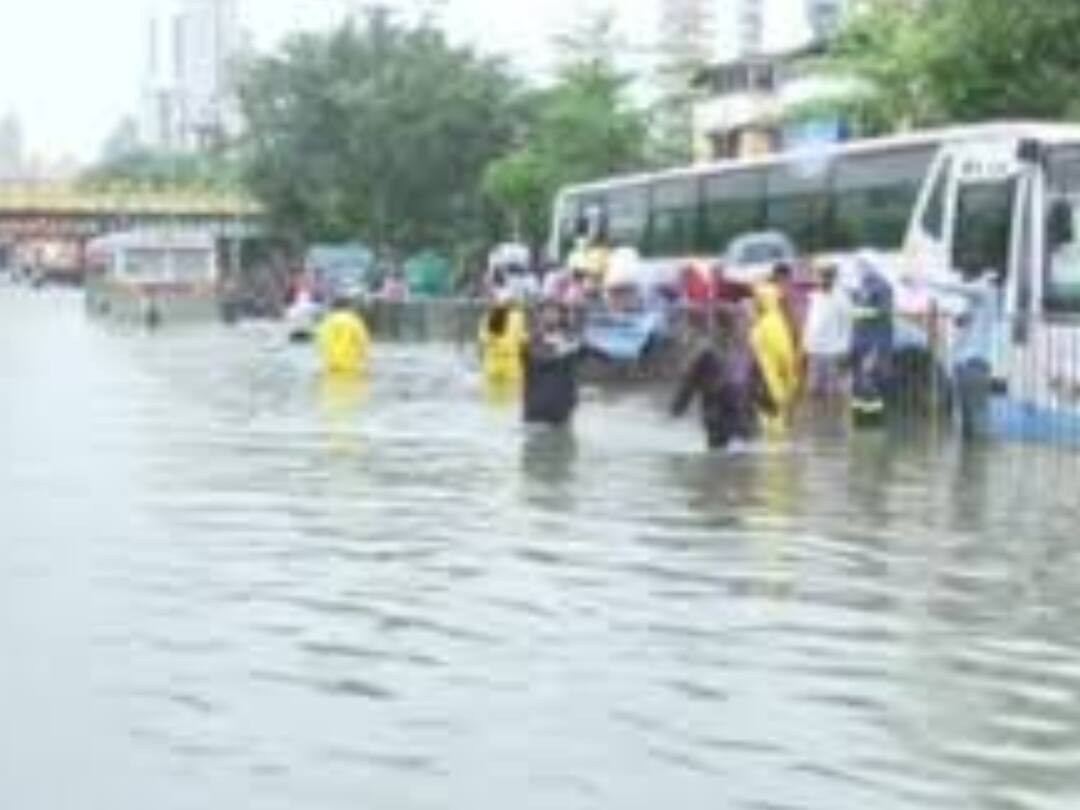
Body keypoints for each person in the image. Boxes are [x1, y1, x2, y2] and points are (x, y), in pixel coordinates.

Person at [911, 271, 1001, 440]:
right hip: (965, 366)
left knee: (976, 426)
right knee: (968, 428)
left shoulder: (986, 291)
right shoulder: (977, 305)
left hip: (974, 365)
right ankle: (970, 463)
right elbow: (964, 323)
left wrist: (924, 280)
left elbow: (958, 288)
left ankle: (974, 462)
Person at [671, 304, 758, 450]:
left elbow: (756, 380)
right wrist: (678, 408)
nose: (748, 329)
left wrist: (770, 405)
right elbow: (690, 382)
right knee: (719, 454)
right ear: (727, 327)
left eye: (748, 324)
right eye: (743, 324)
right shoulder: (709, 353)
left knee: (741, 454)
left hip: (743, 414)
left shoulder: (748, 349)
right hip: (718, 414)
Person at [849, 254, 895, 428]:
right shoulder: (861, 286)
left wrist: (863, 311)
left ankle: (875, 426)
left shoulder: (883, 287)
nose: (859, 269)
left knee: (872, 385)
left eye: (862, 265)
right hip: (860, 345)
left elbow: (884, 312)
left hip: (876, 345)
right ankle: (860, 424)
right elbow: (856, 321)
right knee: (859, 387)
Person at [750, 284, 800, 434]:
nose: (754, 302)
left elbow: (784, 356)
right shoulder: (767, 322)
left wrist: (790, 382)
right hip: (764, 383)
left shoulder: (770, 324)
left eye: (757, 299)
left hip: (770, 384)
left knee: (773, 428)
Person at [523, 299, 581, 427]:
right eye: (547, 311)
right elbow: (540, 359)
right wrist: (564, 350)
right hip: (538, 405)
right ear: (539, 315)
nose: (551, 315)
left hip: (563, 405)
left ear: (561, 315)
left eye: (555, 311)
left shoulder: (571, 338)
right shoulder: (531, 339)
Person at [802, 264, 853, 400]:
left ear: (833, 278)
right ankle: (818, 418)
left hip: (833, 351)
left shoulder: (842, 299)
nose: (822, 281)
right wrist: (806, 344)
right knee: (813, 389)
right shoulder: (814, 297)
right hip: (814, 349)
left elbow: (847, 325)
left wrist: (844, 349)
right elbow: (809, 322)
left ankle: (833, 418)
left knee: (833, 391)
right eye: (820, 277)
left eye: (826, 277)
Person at [317, 297, 371, 376]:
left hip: (331, 365)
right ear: (348, 307)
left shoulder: (327, 322)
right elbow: (363, 341)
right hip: (352, 366)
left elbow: (320, 343)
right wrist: (365, 361)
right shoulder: (355, 321)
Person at [478, 300, 527, 386]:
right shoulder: (488, 317)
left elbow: (523, 338)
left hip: (509, 362)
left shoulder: (517, 318)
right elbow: (483, 338)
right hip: (494, 361)